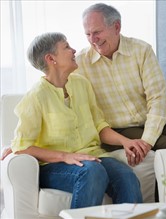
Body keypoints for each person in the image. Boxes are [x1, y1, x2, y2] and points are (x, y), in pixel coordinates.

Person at [2, 32, 143, 208]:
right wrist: (65, 156)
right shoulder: (36, 96)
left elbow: (99, 125)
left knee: (126, 176)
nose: (73, 50)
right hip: (54, 166)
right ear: (51, 58)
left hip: (92, 156)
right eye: (66, 47)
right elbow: (22, 146)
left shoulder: (82, 84)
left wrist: (125, 141)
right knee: (92, 172)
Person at [75, 3, 166, 165]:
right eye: (88, 34)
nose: (93, 40)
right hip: (120, 129)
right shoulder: (81, 62)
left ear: (116, 27)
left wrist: (147, 139)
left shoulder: (141, 50)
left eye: (97, 32)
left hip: (160, 119)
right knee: (165, 146)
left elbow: (158, 99)